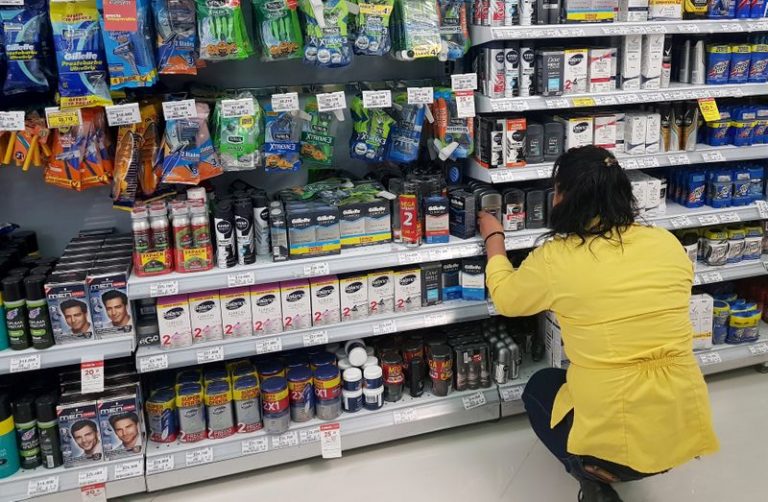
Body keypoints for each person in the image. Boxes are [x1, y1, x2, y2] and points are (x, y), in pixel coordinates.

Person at [477, 146, 719, 502]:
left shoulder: (557, 258)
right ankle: (638, 462)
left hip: (615, 437)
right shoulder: (666, 243)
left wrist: (494, 240)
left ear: (563, 199)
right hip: (680, 425)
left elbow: (508, 300)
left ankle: (593, 475)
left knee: (541, 387)